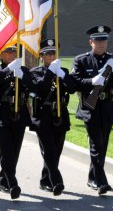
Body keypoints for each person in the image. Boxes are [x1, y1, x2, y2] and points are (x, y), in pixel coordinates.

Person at [70, 25, 113, 195]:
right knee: (96, 145)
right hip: (90, 109)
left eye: (104, 41)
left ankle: (92, 177)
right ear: (91, 42)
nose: (101, 44)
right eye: (97, 41)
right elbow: (74, 83)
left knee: (101, 147)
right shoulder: (81, 60)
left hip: (108, 108)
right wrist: (92, 82)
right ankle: (101, 181)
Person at [0, 45, 38, 200]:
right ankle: (13, 183)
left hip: (19, 114)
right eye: (8, 52)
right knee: (6, 150)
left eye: (14, 52)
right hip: (1, 113)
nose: (11, 54)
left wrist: (22, 76)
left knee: (14, 151)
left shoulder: (23, 71)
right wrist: (8, 70)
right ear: (0, 55)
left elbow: (36, 87)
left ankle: (3, 181)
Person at [29, 39, 76, 196]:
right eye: (48, 53)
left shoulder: (62, 70)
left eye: (54, 53)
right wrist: (50, 72)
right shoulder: (36, 72)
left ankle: (45, 180)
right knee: (48, 150)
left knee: (55, 151)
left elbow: (72, 89)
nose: (51, 56)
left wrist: (62, 74)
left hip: (60, 114)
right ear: (41, 56)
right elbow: (40, 87)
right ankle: (56, 181)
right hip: (44, 115)